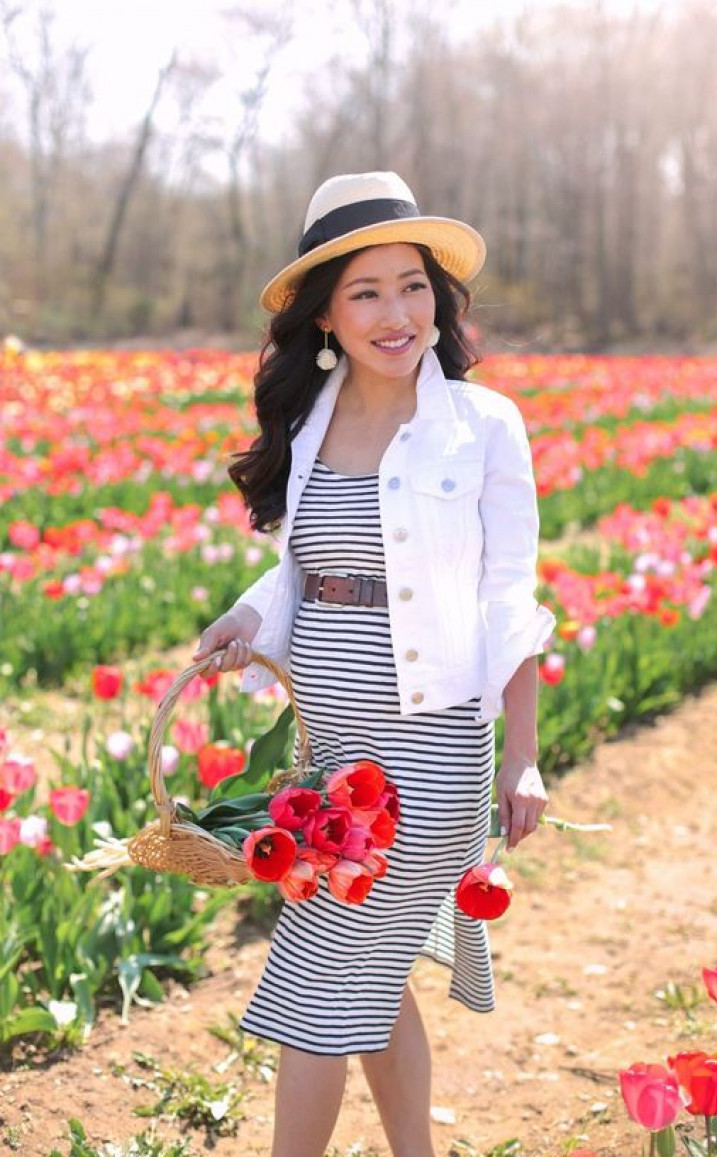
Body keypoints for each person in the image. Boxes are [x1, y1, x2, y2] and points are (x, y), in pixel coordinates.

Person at [192, 171, 557, 1157]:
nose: (395, 313)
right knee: (373, 969)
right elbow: (299, 571)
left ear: (439, 298)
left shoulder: (482, 427)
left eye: (412, 284)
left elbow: (507, 597)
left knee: (319, 965)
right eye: (365, 291)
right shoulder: (308, 423)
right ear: (325, 314)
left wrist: (518, 754)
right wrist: (244, 615)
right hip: (332, 744)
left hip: (432, 750)